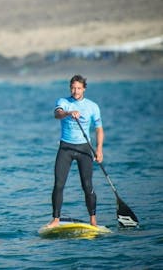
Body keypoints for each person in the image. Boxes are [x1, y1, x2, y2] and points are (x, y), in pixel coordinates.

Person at [48, 74, 104, 228]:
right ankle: (55, 220)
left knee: (87, 185)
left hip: (84, 148)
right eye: (73, 88)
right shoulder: (63, 102)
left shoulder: (92, 106)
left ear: (84, 89)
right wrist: (68, 112)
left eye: (79, 88)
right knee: (59, 184)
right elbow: (57, 114)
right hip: (65, 148)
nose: (75, 91)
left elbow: (99, 129)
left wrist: (99, 150)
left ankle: (93, 220)